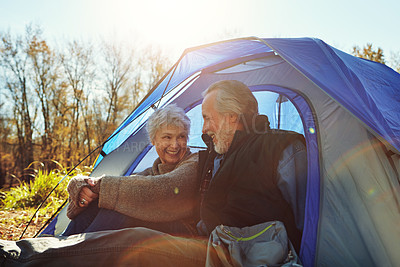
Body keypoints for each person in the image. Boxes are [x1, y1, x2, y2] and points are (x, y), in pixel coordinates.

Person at [0, 80, 306, 266]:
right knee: (112, 215)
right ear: (154, 141)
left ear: (231, 117)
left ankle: (19, 257)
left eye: (207, 119)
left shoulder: (276, 150)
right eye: (166, 138)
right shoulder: (219, 155)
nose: (205, 130)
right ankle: (39, 253)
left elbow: (303, 224)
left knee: (134, 240)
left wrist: (103, 187)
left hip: (227, 254)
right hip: (205, 241)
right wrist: (92, 187)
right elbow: (141, 182)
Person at [62, 104, 199, 236]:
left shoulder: (195, 162)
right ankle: (58, 248)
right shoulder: (150, 173)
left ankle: (70, 254)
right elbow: (124, 187)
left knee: (120, 209)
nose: (175, 145)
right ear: (153, 140)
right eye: (167, 137)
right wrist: (82, 186)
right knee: (105, 204)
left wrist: (98, 186)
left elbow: (167, 187)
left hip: (184, 229)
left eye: (181, 136)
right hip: (160, 226)